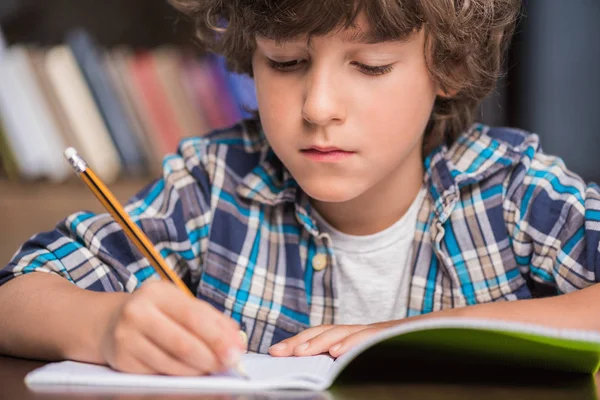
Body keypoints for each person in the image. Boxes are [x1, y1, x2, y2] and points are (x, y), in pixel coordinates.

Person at [2, 0, 597, 378]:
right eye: (285, 63)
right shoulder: (213, 186)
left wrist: (414, 337)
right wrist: (106, 327)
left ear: (449, 69)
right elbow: (13, 297)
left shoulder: (510, 190)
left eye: (369, 66)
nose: (317, 107)